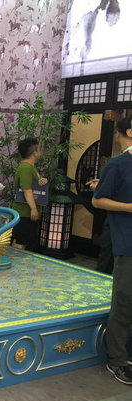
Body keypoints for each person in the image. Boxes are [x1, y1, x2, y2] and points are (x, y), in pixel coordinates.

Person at [92, 114, 132, 385]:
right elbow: (98, 200)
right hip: (127, 242)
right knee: (124, 300)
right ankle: (117, 359)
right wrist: (128, 207)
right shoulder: (119, 164)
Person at [11, 138, 48, 250]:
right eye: (39, 149)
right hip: (24, 213)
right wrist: (33, 208)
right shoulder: (26, 168)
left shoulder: (30, 167)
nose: (40, 152)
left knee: (26, 242)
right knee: (21, 244)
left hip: (27, 213)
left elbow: (32, 185)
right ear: (34, 152)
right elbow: (27, 189)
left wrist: (42, 181)